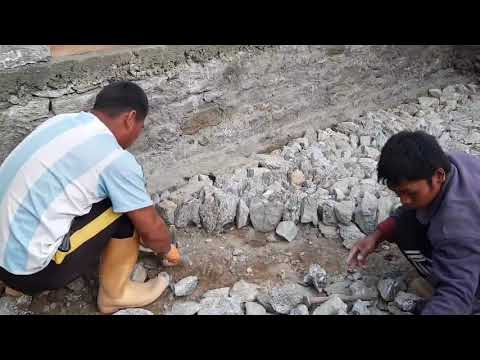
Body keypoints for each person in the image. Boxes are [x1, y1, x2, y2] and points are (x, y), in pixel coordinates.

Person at [0, 81, 180, 314]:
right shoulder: (115, 159)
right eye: (140, 127)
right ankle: (115, 295)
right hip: (28, 274)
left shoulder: (60, 122)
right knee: (125, 212)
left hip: (5, 258)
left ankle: (13, 270)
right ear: (130, 118)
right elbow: (152, 231)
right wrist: (167, 249)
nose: (137, 134)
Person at [347, 130, 480, 315]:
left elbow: (456, 293)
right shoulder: (456, 163)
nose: (404, 201)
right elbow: (408, 209)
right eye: (398, 193)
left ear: (439, 176)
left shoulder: (453, 227)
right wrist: (377, 235)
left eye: (411, 193)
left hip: (468, 251)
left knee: (407, 233)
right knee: (406, 219)